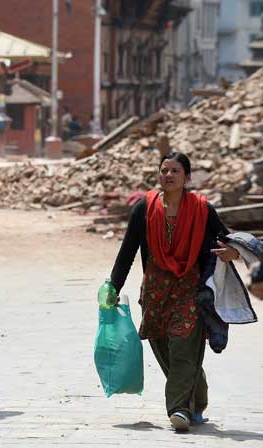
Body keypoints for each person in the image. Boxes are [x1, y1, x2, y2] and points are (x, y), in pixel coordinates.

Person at [108, 152, 240, 431]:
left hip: (189, 288)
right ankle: (197, 394)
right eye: (164, 170)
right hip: (155, 291)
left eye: (175, 171)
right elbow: (127, 252)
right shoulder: (144, 208)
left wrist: (233, 251)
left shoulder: (202, 209)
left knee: (182, 346)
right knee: (164, 347)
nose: (168, 175)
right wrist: (113, 286)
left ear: (187, 177)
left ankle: (179, 409)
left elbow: (225, 238)